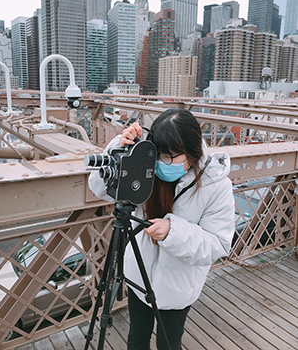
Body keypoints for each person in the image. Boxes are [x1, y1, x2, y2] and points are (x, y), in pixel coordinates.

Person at [88, 108, 235, 350]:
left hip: (178, 287)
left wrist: (172, 232)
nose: (161, 163)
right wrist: (119, 149)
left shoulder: (216, 184)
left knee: (168, 343)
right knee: (137, 339)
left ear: (192, 151)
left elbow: (218, 244)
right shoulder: (146, 161)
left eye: (170, 157)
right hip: (139, 275)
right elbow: (99, 189)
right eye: (158, 154)